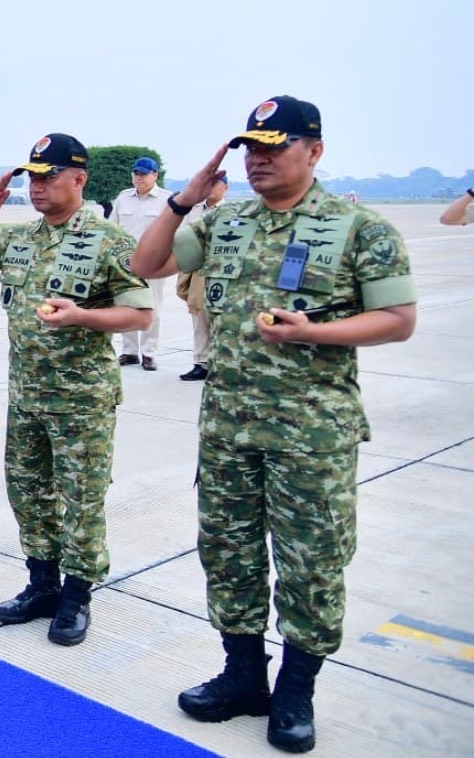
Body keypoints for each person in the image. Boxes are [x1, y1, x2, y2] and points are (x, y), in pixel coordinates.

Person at [132, 95, 416, 753]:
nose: (257, 160)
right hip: (229, 430)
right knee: (227, 552)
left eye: (273, 147)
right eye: (250, 149)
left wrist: (315, 331)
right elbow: (146, 266)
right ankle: (242, 675)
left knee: (312, 563)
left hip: (311, 435)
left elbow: (398, 320)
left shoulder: (358, 227)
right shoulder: (225, 221)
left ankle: (295, 690)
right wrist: (183, 199)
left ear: (314, 151)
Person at [0, 133, 154, 645]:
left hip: (81, 399)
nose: (37, 186)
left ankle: (77, 594)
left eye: (49, 176)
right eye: (33, 177)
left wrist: (83, 317)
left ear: (78, 179)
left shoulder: (108, 240)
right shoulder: (20, 237)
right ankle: (42, 583)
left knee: (81, 497)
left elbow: (140, 313)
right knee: (28, 490)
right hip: (27, 395)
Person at [112, 156, 171, 371]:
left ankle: (149, 353)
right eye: (136, 173)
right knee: (126, 305)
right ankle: (129, 351)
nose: (139, 178)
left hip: (153, 262)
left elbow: (173, 231)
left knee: (151, 307)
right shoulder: (123, 198)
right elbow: (113, 228)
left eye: (143, 174)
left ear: (155, 175)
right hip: (125, 262)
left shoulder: (166, 200)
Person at [176, 175, 228, 381]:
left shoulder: (231, 212)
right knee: (198, 317)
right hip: (197, 269)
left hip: (220, 272)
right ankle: (201, 362)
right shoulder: (194, 210)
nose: (211, 188)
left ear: (225, 188)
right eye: (209, 184)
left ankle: (219, 363)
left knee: (218, 319)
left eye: (216, 184)